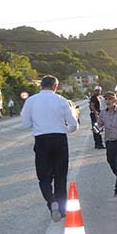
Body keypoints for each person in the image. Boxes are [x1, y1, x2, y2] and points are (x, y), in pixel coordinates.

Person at [20, 75, 79, 221]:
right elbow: (73, 124)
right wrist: (65, 129)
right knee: (60, 176)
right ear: (55, 86)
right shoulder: (61, 100)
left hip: (41, 141)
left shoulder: (31, 101)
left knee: (44, 178)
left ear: (41, 85)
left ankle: (51, 202)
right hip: (59, 140)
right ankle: (62, 208)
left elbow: (25, 123)